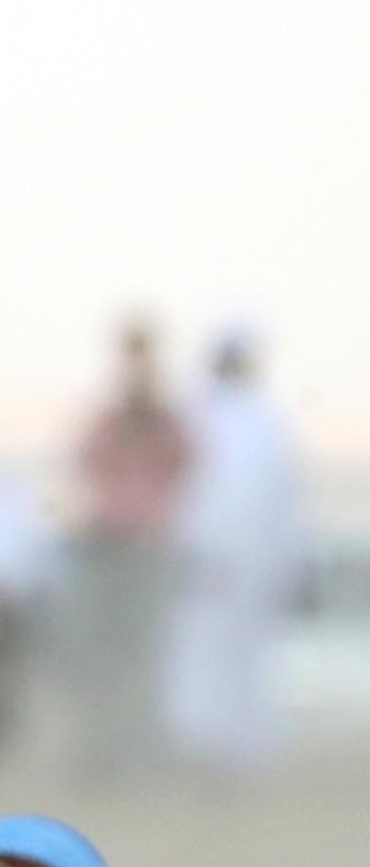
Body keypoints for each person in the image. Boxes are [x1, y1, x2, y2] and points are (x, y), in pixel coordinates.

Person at [163, 326, 303, 772]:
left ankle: (244, 751)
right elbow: (183, 490)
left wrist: (286, 561)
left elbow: (283, 497)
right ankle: (197, 747)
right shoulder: (193, 414)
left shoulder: (268, 420)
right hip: (202, 559)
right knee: (195, 653)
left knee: (250, 656)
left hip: (256, 562)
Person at [61, 321, 192, 773]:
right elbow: (86, 464)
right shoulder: (113, 420)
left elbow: (184, 468)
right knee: (102, 654)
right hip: (108, 545)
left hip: (146, 549)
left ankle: (136, 749)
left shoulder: (165, 422)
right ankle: (101, 749)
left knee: (143, 654)